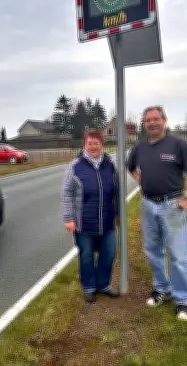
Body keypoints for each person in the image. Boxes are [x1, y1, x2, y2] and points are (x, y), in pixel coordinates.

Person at [126, 105, 187, 321]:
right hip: (148, 205)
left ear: (164, 121)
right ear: (144, 124)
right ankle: (162, 288)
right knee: (153, 251)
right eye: (148, 120)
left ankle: (184, 301)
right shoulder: (140, 148)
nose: (152, 123)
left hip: (172, 205)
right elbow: (130, 167)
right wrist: (142, 180)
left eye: (156, 119)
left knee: (178, 255)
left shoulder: (178, 145)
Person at [61, 129, 120, 303]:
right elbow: (67, 193)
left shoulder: (109, 165)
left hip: (107, 221)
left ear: (102, 144)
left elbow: (116, 191)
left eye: (96, 143)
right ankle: (89, 287)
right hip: (84, 223)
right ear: (84, 145)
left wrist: (117, 213)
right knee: (86, 257)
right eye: (90, 143)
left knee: (108, 254)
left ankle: (103, 284)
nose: (93, 146)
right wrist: (68, 218)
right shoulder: (75, 166)